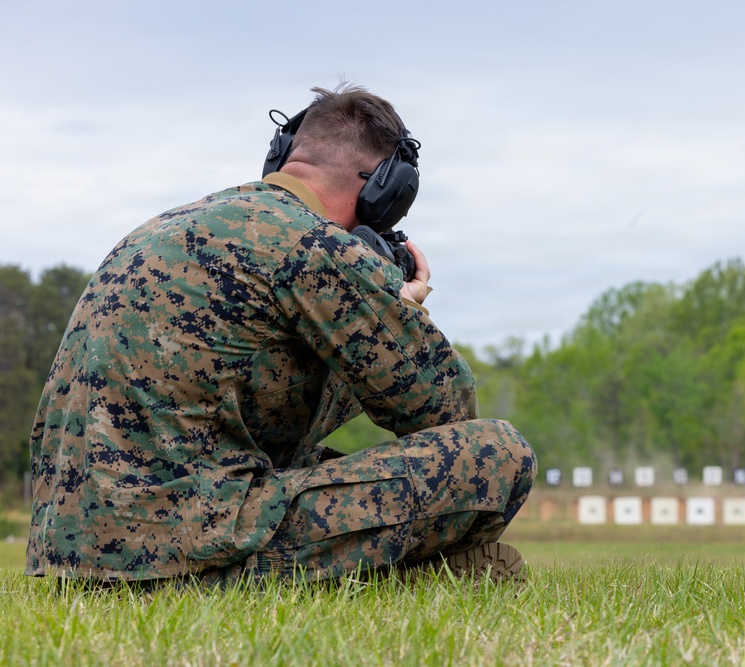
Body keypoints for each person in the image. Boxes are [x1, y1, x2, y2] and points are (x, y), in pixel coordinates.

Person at [26, 83, 536, 586]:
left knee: (316, 460)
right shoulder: (313, 245)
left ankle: (379, 574)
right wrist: (399, 309)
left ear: (284, 156)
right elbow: (444, 412)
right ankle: (386, 573)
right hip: (182, 551)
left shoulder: (155, 229)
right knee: (496, 455)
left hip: (74, 554)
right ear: (386, 188)